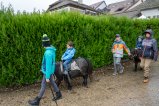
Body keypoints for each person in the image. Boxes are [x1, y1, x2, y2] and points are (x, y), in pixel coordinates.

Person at [28, 34, 62, 106]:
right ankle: (58, 94)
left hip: (48, 72)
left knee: (43, 85)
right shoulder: (51, 49)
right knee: (52, 82)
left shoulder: (48, 53)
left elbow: (48, 65)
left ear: (44, 44)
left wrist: (47, 76)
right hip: (49, 71)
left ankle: (37, 101)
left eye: (42, 43)